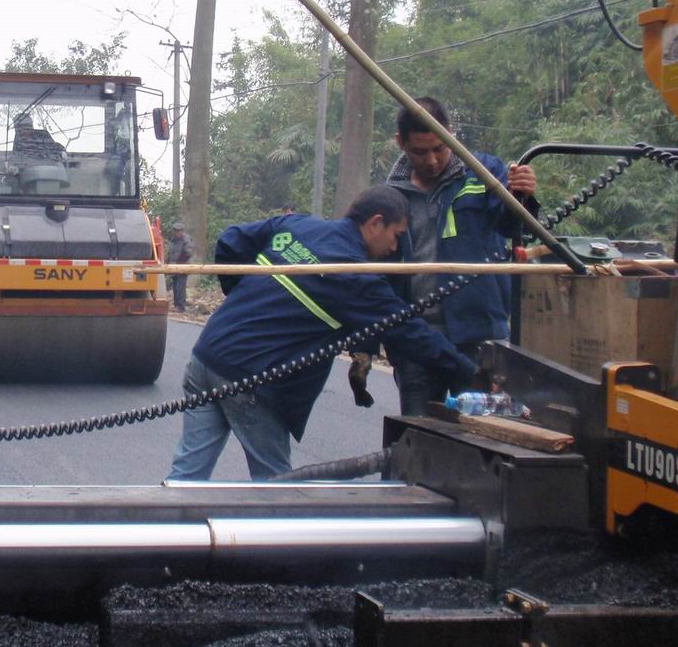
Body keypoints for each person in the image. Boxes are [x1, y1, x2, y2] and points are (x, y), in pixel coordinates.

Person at [168, 186, 477, 481]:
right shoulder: (354, 276)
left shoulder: (298, 227)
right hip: (250, 381)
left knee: (187, 474)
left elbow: (231, 239)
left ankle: (164, 530)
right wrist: (471, 375)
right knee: (274, 491)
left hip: (205, 358)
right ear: (375, 223)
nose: (395, 248)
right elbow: (411, 332)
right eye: (396, 236)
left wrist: (243, 300)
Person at [380, 97, 538, 418]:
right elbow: (380, 273)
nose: (433, 161)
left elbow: (511, 226)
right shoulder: (389, 197)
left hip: (479, 337)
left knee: (485, 438)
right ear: (401, 143)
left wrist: (522, 196)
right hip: (417, 341)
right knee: (418, 438)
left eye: (440, 148)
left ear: (450, 134)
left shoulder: (484, 173)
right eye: (420, 152)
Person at [165, 224, 194, 312]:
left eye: (179, 231)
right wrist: (167, 263)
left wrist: (179, 262)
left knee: (180, 287)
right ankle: (176, 305)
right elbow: (170, 253)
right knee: (175, 287)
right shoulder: (173, 240)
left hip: (182, 267)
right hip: (173, 267)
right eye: (176, 231)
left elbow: (188, 253)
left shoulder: (186, 240)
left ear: (182, 231)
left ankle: (181, 306)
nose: (177, 233)